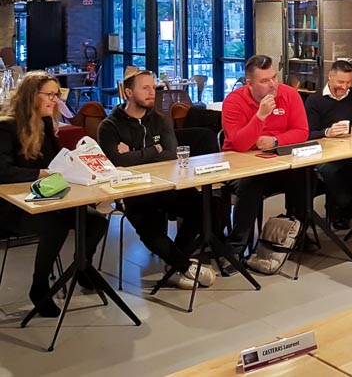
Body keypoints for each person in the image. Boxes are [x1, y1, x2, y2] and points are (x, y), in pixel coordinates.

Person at [0, 71, 108, 318]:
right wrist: (41, 173)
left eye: (57, 95)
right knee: (56, 223)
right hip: (11, 205)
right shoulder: (6, 127)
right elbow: (3, 172)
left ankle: (82, 266)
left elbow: (56, 163)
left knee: (96, 221)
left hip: (46, 196)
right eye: (49, 95)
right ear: (31, 96)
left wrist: (80, 165)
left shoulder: (46, 123)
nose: (55, 100)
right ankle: (39, 287)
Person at [98, 67, 214, 288]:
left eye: (153, 87)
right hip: (133, 190)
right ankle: (183, 266)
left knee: (202, 208)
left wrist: (135, 152)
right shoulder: (109, 126)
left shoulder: (160, 120)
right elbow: (117, 162)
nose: (152, 92)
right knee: (147, 225)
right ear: (128, 93)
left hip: (166, 185)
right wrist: (155, 149)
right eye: (145, 88)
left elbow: (171, 154)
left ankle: (173, 263)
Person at [221, 55, 309, 258]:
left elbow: (301, 131)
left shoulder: (289, 94)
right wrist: (260, 116)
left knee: (305, 175)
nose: (272, 85)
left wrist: (275, 141)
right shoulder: (234, 101)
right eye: (264, 81)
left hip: (275, 162)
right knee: (250, 183)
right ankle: (236, 247)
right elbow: (240, 144)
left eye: (274, 78)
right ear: (249, 83)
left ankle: (294, 233)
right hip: (239, 166)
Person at [305, 60, 352, 230]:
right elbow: (308, 134)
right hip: (327, 156)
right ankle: (340, 207)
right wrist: (327, 132)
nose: (345, 87)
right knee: (338, 177)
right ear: (330, 78)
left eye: (348, 82)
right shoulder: (314, 101)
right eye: (341, 82)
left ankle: (343, 206)